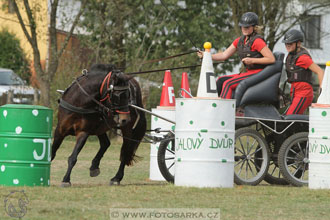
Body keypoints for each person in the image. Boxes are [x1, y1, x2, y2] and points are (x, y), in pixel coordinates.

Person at [197, 12, 275, 99]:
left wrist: (252, 60)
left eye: (247, 27)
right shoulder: (239, 41)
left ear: (254, 27)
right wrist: (207, 55)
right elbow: (224, 55)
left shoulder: (257, 41)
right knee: (221, 80)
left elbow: (271, 59)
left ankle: (223, 109)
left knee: (228, 83)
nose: (244, 29)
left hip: (259, 73)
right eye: (242, 26)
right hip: (248, 73)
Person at [282, 29, 324, 115]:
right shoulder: (291, 56)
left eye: (290, 43)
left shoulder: (303, 58)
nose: (287, 45)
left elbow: (320, 71)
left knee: (290, 117)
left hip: (304, 93)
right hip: (294, 91)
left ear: (298, 43)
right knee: (290, 118)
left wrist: (321, 91)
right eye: (286, 43)